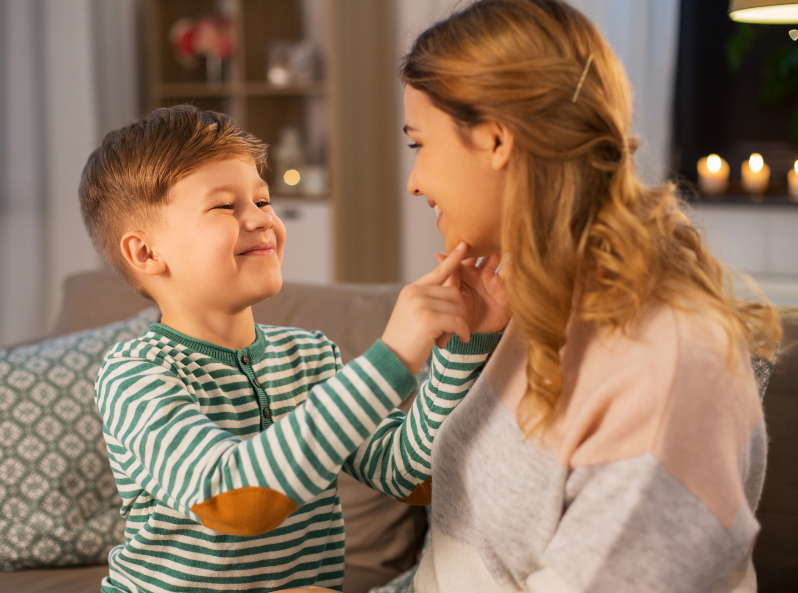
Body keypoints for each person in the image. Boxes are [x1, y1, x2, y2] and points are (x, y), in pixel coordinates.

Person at [398, 1, 781, 592]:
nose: (414, 180)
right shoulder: (542, 306)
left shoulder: (670, 363)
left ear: (497, 139)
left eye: (418, 144)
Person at [78, 104, 508, 593]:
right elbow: (235, 500)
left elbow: (413, 477)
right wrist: (392, 358)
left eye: (262, 202)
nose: (261, 220)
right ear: (146, 253)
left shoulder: (311, 357)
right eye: (225, 206)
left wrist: (463, 349)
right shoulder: (136, 375)